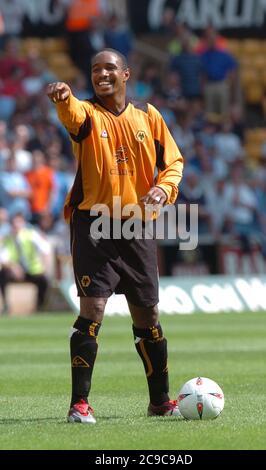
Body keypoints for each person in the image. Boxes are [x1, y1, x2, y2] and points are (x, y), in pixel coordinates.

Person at [46, 48, 183, 424]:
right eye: (94, 69)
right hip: (94, 223)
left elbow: (173, 162)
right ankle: (79, 404)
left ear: (126, 74)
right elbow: (72, 116)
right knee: (92, 310)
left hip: (136, 224)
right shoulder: (86, 113)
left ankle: (160, 402)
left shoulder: (149, 116)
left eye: (109, 68)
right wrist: (63, 98)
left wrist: (163, 190)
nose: (100, 74)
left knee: (148, 313)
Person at [0, 213, 50, 314]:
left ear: (23, 223)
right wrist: (13, 266)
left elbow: (46, 249)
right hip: (14, 272)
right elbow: (2, 257)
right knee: (2, 275)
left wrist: (44, 266)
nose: (16, 225)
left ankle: (40, 306)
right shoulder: (7, 238)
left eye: (18, 222)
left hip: (32, 270)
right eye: (14, 222)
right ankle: (6, 305)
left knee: (44, 280)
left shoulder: (31, 235)